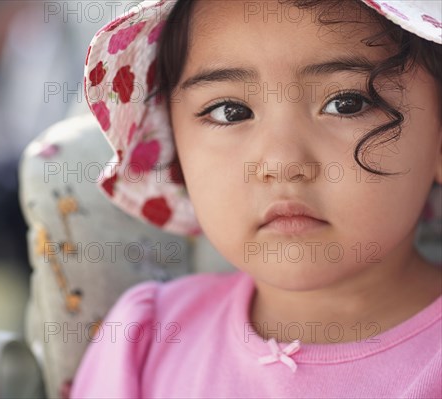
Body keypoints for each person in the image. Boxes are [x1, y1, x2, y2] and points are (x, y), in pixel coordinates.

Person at [71, 0, 442, 397]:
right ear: (175, 148)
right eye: (231, 111)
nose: (281, 162)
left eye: (347, 104)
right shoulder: (143, 340)